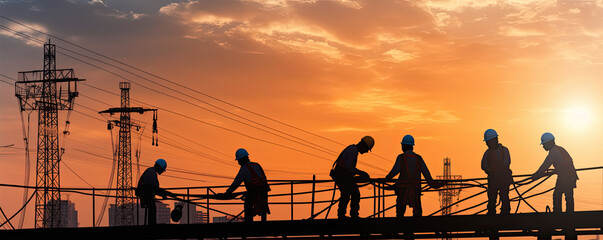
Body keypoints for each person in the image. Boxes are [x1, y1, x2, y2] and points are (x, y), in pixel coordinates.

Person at [385, 135, 443, 217]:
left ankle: (399, 225)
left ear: (404, 146)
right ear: (412, 146)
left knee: (400, 213)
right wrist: (441, 184)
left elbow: (393, 173)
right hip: (415, 191)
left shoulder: (401, 158)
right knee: (417, 214)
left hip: (402, 191)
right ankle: (416, 225)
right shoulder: (418, 159)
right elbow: (428, 178)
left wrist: (384, 180)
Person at [531, 132, 578, 213]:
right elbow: (565, 163)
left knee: (557, 195)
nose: (543, 146)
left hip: (565, 177)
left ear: (549, 143)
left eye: (544, 144)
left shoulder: (553, 152)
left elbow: (545, 165)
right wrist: (557, 170)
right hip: (569, 176)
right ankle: (569, 215)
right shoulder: (560, 149)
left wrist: (536, 175)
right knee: (568, 196)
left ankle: (558, 214)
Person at [330, 136, 374, 219]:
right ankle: (350, 215)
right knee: (352, 194)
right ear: (363, 146)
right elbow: (349, 167)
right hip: (341, 176)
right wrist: (361, 173)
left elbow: (349, 168)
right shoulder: (353, 151)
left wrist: (359, 173)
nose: (366, 152)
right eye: (367, 149)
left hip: (342, 175)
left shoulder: (352, 149)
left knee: (348, 194)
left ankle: (343, 214)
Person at [224, 148, 271, 222]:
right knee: (263, 207)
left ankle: (249, 223)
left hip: (253, 192)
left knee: (248, 207)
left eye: (239, 161)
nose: (238, 163)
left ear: (241, 159)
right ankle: (263, 223)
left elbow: (236, 183)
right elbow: (264, 178)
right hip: (263, 191)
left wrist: (228, 192)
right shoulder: (257, 165)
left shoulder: (244, 168)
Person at [481, 129, 513, 215]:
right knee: (492, 197)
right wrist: (492, 172)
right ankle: (492, 213)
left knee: (504, 195)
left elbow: (506, 163)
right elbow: (483, 166)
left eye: (488, 142)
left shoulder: (504, 150)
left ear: (494, 140)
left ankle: (505, 213)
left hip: (503, 179)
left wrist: (497, 172)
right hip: (493, 180)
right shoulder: (487, 153)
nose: (487, 144)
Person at [136, 158, 168, 225]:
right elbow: (154, 188)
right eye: (162, 170)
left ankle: (152, 223)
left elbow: (154, 187)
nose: (162, 172)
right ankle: (152, 224)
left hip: (145, 193)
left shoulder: (151, 171)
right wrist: (162, 194)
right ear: (159, 167)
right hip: (146, 194)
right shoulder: (152, 173)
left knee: (152, 208)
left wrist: (162, 193)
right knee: (152, 208)